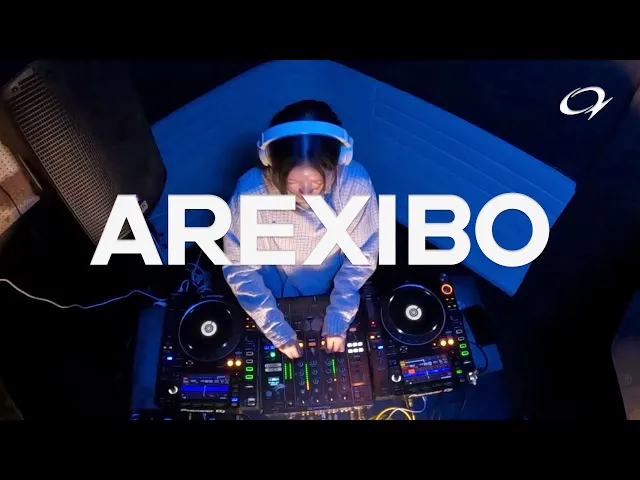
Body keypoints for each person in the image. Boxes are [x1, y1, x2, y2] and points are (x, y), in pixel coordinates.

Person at [222, 100, 379, 359]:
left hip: (333, 287)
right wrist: (276, 329)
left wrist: (339, 317)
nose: (305, 192)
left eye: (317, 181)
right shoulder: (250, 192)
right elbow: (240, 269)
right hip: (273, 292)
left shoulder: (356, 184)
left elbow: (361, 258)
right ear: (271, 162)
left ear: (340, 160)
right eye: (293, 181)